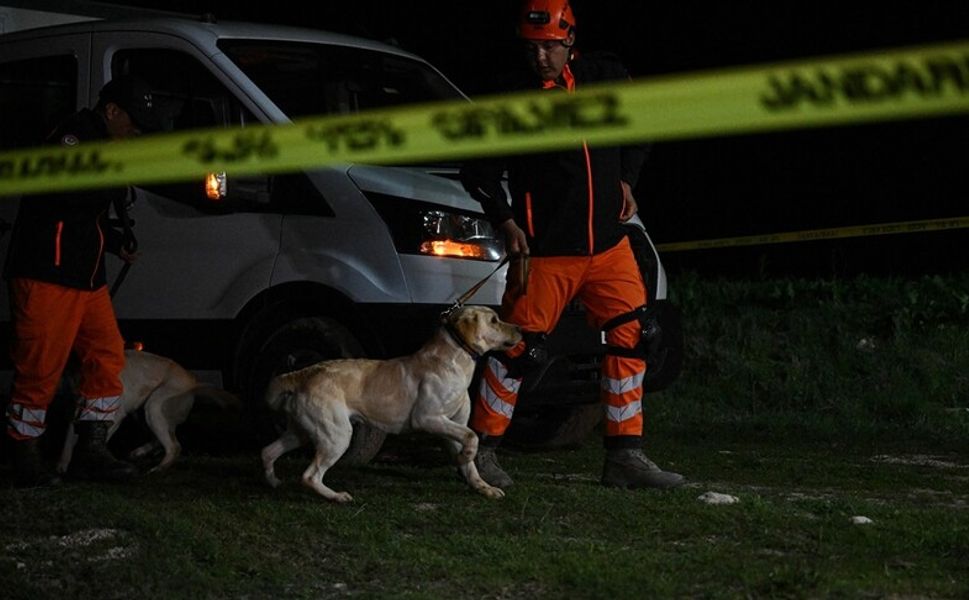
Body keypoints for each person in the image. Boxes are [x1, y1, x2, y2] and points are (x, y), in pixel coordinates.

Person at [460, 0, 685, 490]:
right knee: (516, 349)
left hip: (608, 246)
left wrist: (627, 176)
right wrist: (505, 220)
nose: (540, 58)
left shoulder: (602, 77)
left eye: (548, 47)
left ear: (569, 41)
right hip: (547, 252)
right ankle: (480, 452)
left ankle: (625, 456)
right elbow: (474, 167)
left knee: (636, 336)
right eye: (531, 48)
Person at [4, 74, 161, 486]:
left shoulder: (102, 142)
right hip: (47, 274)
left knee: (107, 356)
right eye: (133, 121)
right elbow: (64, 194)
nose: (136, 131)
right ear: (111, 111)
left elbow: (80, 218)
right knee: (40, 367)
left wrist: (113, 242)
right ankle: (23, 456)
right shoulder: (72, 136)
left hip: (84, 278)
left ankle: (90, 451)